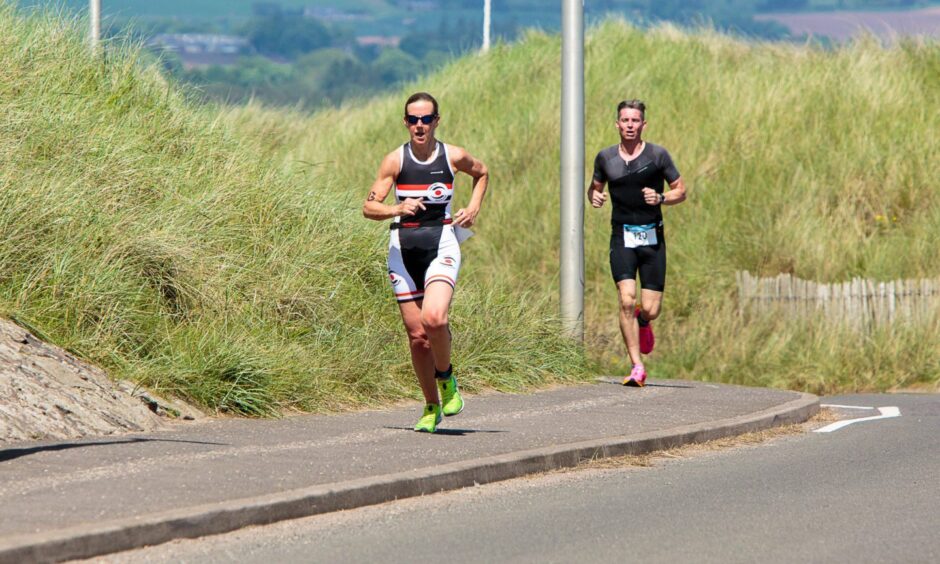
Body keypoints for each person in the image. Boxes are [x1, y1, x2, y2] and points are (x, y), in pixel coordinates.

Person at [363, 92, 489, 433]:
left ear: (436, 121)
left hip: (442, 242)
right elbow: (368, 207)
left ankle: (446, 377)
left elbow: (482, 173)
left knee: (435, 319)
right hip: (402, 250)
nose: (420, 126)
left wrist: (474, 207)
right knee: (418, 336)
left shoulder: (453, 156)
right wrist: (397, 208)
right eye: (413, 120)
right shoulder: (395, 161)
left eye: (426, 119)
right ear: (406, 123)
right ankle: (431, 405)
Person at [587, 99, 686, 387]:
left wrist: (662, 198)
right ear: (617, 124)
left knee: (651, 307)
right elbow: (595, 189)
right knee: (626, 299)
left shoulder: (657, 156)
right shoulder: (605, 158)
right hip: (622, 236)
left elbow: (681, 189)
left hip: (652, 238)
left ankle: (645, 322)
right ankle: (636, 366)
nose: (630, 125)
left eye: (635, 121)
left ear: (643, 124)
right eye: (625, 120)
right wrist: (594, 197)